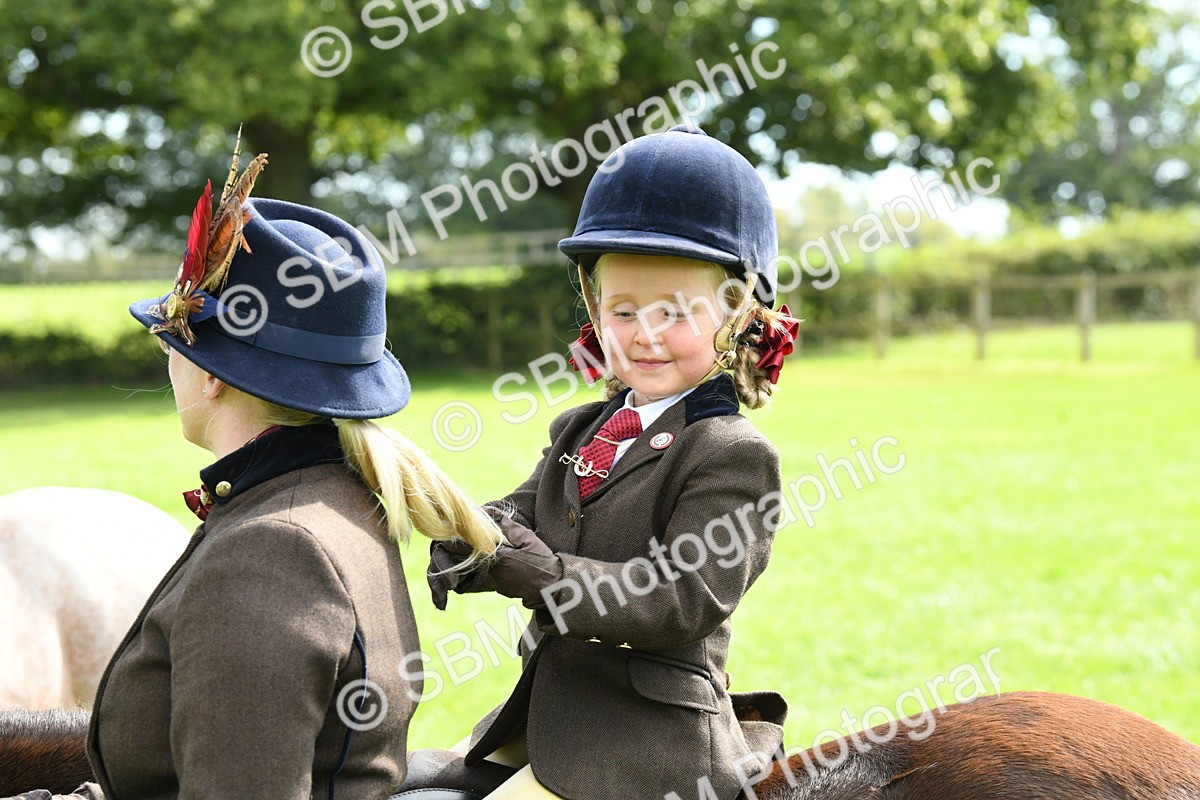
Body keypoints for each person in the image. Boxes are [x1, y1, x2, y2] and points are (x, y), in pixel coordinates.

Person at [2, 142, 503, 800]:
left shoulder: (268, 552)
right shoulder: (333, 499)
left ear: (212, 377)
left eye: (175, 341)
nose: (167, 359)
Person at [409, 124, 801, 800]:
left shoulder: (733, 455)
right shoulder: (581, 428)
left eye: (673, 312)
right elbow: (520, 514)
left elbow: (680, 601)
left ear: (737, 311)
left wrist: (543, 573)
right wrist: (469, 537)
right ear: (593, 306)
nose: (644, 334)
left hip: (646, 746)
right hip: (544, 720)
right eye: (623, 310)